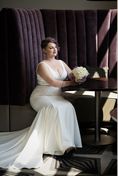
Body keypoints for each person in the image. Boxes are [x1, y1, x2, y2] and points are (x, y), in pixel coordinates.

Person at [0, 37, 82, 169]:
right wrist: (72, 82)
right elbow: (54, 83)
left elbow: (72, 74)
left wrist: (79, 77)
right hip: (41, 96)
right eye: (50, 47)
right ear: (44, 50)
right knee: (54, 108)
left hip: (56, 96)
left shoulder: (61, 62)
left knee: (68, 106)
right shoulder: (42, 65)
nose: (54, 50)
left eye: (55, 47)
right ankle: (60, 147)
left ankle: (67, 144)